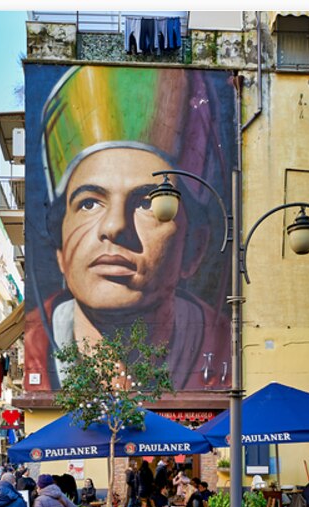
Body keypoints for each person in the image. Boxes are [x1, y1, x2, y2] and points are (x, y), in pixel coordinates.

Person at [24, 65, 235, 393]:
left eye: (149, 202)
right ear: (60, 249)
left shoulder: (226, 347)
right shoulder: (35, 345)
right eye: (89, 203)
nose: (115, 226)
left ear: (194, 248)